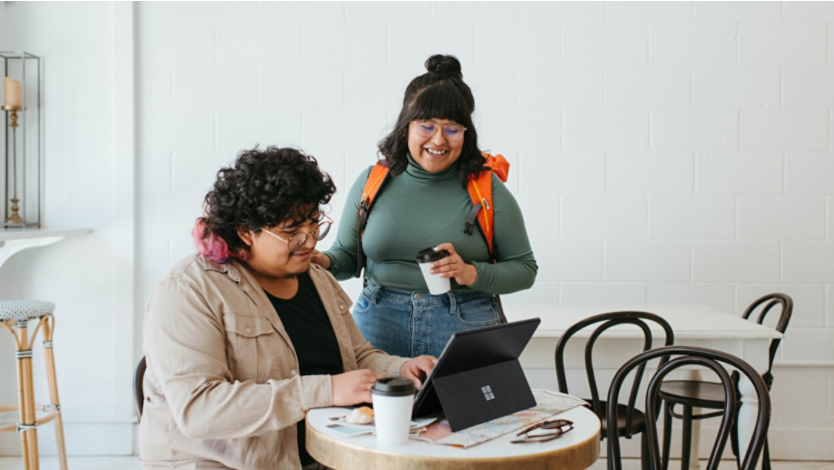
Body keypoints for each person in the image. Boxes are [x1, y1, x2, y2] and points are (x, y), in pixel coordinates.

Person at [139, 146, 436, 470]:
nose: (309, 242)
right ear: (244, 232)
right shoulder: (189, 290)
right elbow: (199, 411)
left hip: (322, 454)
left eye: (313, 225)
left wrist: (401, 369)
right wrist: (326, 390)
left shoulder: (316, 277)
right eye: (291, 232)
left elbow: (357, 356)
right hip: (221, 464)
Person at [312, 55, 538, 358]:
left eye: (452, 128)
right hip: (379, 319)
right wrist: (323, 261)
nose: (439, 140)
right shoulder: (373, 181)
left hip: (465, 319)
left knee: (466, 406)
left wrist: (470, 272)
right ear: (406, 127)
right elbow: (349, 257)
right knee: (372, 407)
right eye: (427, 126)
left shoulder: (486, 188)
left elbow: (525, 269)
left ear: (466, 132)